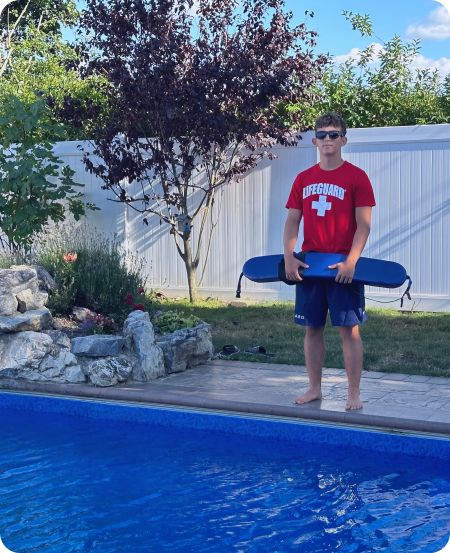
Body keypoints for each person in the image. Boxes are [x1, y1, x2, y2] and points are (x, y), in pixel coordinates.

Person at [283, 112, 376, 410]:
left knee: (349, 330)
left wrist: (351, 261)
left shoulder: (357, 177)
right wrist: (290, 257)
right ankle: (314, 388)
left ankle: (353, 393)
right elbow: (292, 223)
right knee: (312, 329)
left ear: (343, 140)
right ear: (314, 141)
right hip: (311, 265)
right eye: (322, 134)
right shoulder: (303, 179)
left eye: (333, 134)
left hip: (342, 266)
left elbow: (364, 225)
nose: (327, 139)